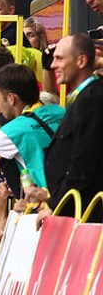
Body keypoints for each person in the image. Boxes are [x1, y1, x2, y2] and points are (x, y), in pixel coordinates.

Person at [44, 33, 103, 216]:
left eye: (59, 58)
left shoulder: (92, 99)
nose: (54, 65)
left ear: (81, 61)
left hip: (86, 213)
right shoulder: (83, 97)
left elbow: (83, 162)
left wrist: (56, 206)